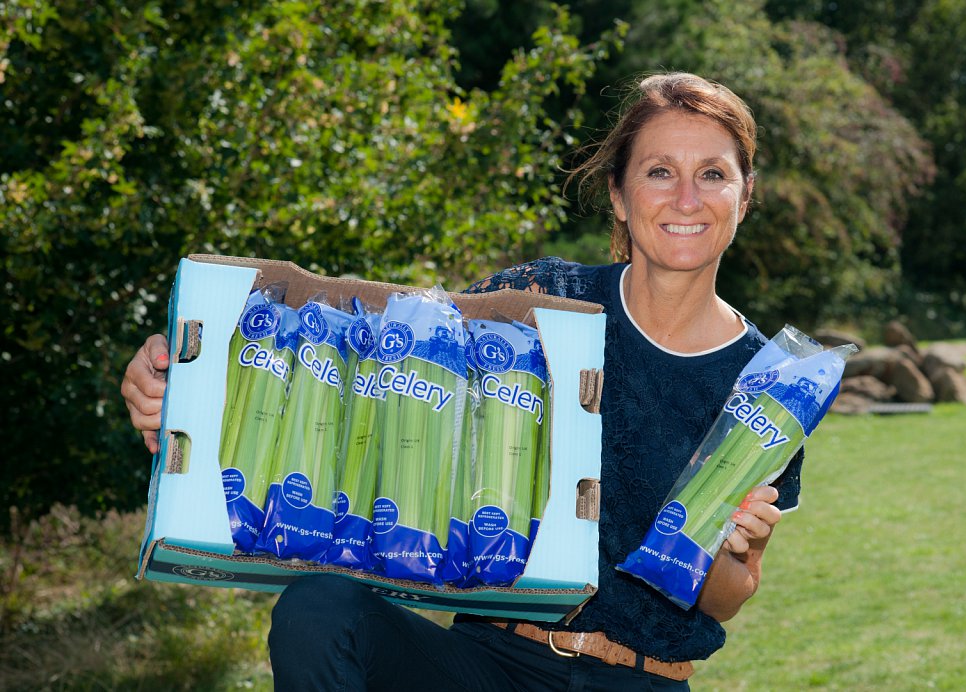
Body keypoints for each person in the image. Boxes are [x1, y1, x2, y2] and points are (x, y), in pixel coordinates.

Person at [122, 72, 798, 691]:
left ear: (744, 194)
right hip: (487, 661)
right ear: (620, 196)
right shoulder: (540, 303)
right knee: (320, 610)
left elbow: (730, 594)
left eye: (712, 173)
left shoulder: (771, 387)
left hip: (640, 678)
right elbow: (375, 376)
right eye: (659, 171)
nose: (687, 198)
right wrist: (181, 382)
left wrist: (732, 549)